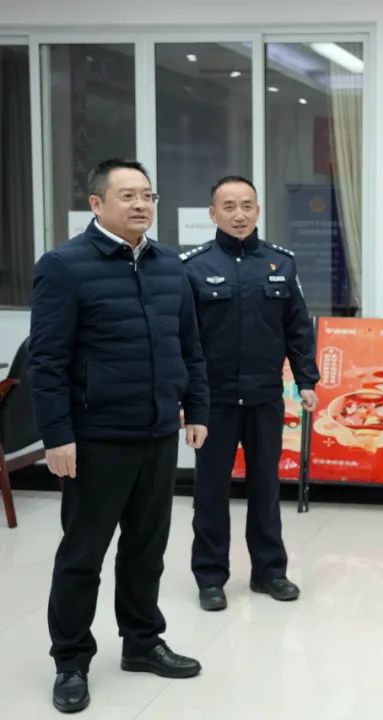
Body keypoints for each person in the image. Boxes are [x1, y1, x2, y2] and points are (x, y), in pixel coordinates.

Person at [30, 158, 210, 714]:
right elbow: (47, 360)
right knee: (83, 554)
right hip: (95, 437)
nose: (141, 205)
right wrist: (56, 435)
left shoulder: (169, 265)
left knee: (146, 548)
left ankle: (141, 642)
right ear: (97, 203)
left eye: (147, 195)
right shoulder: (64, 266)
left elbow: (189, 346)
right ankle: (71, 661)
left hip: (157, 431)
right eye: (128, 195)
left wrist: (196, 407)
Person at [181, 176, 320, 612]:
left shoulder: (281, 264)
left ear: (258, 211)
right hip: (214, 402)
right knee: (210, 491)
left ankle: (269, 572)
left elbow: (298, 328)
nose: (238, 214)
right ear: (213, 213)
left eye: (246, 205)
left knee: (266, 486)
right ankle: (210, 578)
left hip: (264, 398)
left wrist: (307, 380)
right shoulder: (193, 267)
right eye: (228, 206)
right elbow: (184, 340)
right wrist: (185, 398)